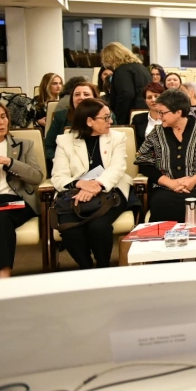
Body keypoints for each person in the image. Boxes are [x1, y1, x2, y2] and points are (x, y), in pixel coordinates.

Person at [50, 98, 131, 269]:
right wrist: (80, 184)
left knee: (99, 227)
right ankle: (85, 267)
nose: (110, 121)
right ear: (89, 121)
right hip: (75, 194)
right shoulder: (64, 141)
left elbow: (117, 168)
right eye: (106, 118)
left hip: (109, 191)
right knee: (70, 230)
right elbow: (58, 176)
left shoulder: (117, 138)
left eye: (110, 116)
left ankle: (103, 266)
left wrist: (96, 185)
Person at [0, 101, 43, 281]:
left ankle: (5, 277)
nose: (1, 122)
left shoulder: (24, 145)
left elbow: (37, 177)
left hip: (15, 200)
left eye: (3, 117)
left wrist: (9, 162)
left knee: (2, 219)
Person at [135, 89, 196, 223]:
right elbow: (143, 162)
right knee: (160, 203)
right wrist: (170, 183)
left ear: (178, 112)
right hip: (165, 187)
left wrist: (193, 180)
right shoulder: (157, 133)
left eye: (162, 112)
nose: (159, 117)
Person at [45, 81, 105, 165]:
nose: (81, 97)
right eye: (77, 94)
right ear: (72, 99)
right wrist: (60, 161)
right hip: (67, 164)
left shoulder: (106, 116)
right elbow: (49, 147)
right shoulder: (61, 116)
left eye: (86, 94)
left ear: (95, 98)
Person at [101, 41, 152, 125]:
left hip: (130, 115)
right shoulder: (142, 68)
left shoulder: (122, 70)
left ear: (111, 58)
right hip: (145, 112)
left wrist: (119, 119)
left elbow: (126, 94)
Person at [131, 82, 165, 148]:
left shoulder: (171, 117)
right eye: (149, 97)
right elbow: (135, 144)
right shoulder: (137, 119)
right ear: (145, 101)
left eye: (156, 96)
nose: (153, 100)